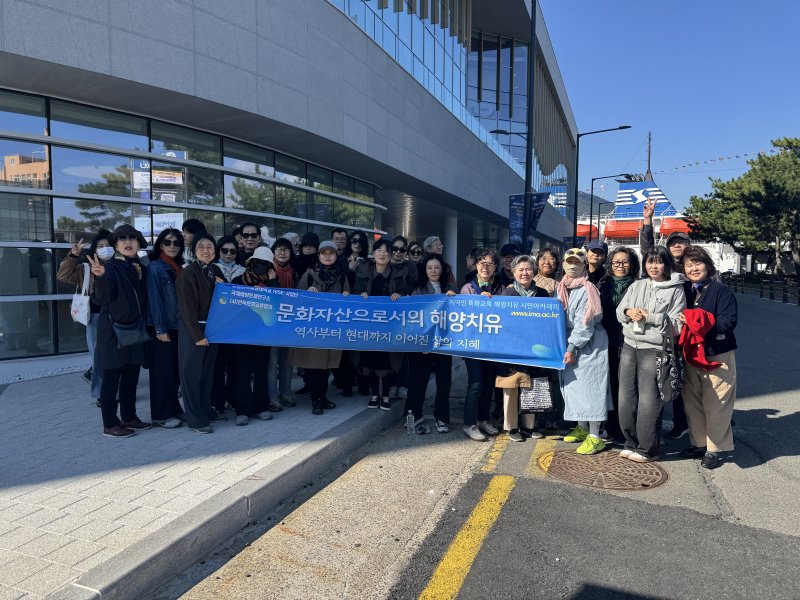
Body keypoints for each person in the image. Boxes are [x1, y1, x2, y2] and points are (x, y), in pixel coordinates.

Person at [616, 247, 686, 462]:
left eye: (658, 262)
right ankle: (630, 441)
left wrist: (651, 317)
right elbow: (620, 311)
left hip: (654, 348)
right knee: (626, 397)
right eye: (649, 262)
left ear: (667, 264)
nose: (653, 266)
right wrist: (629, 313)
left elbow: (676, 326)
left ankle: (648, 449)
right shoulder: (637, 285)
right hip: (629, 344)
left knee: (649, 399)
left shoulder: (676, 290)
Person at [87, 224, 151, 438]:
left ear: (138, 243)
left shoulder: (142, 266)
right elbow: (101, 299)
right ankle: (109, 423)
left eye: (132, 238)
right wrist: (101, 277)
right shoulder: (110, 267)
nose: (127, 242)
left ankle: (129, 416)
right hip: (114, 331)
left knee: (131, 375)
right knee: (112, 378)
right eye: (122, 239)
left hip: (135, 330)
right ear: (116, 245)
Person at [678, 246, 738, 469]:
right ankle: (698, 442)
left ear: (707, 265)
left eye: (698, 263)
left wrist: (697, 321)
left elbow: (728, 321)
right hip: (691, 352)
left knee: (717, 402)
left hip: (717, 353)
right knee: (692, 400)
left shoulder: (721, 291)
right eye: (689, 265)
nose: (694, 268)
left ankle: (714, 449)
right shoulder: (685, 289)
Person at [640, 199, 691, 440]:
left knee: (682, 378)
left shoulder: (693, 267)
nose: (677, 246)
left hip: (690, 330)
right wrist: (648, 222)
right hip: (667, 329)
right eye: (674, 243)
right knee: (669, 375)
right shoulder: (665, 269)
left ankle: (686, 422)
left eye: (681, 242)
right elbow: (647, 251)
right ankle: (675, 422)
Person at [558, 248, 612, 455]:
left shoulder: (588, 288)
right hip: (571, 342)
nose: (572, 266)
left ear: (584, 266)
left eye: (577, 263)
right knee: (576, 387)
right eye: (568, 262)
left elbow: (585, 323)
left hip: (589, 344)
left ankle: (595, 436)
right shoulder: (563, 286)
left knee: (592, 389)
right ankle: (581, 428)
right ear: (563, 264)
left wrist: (572, 347)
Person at [290, 241, 351, 414]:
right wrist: (306, 292)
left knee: (326, 366)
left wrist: (346, 295)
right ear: (318, 255)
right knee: (313, 366)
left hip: (332, 328)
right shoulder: (309, 274)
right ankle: (316, 400)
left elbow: (348, 300)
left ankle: (322, 397)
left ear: (335, 255)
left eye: (331, 253)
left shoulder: (342, 275)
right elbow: (297, 298)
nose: (327, 256)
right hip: (313, 328)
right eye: (324, 253)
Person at [353, 237, 413, 409]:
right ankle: (374, 394)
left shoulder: (397, 274)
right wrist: (360, 294)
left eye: (387, 251)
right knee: (371, 361)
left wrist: (399, 295)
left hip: (390, 327)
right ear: (374, 253)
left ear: (390, 255)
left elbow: (405, 292)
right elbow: (354, 291)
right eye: (379, 250)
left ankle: (385, 395)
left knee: (387, 362)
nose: (383, 254)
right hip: (369, 326)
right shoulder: (363, 271)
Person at [176, 232, 226, 434]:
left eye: (210, 247)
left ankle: (205, 409)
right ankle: (195, 418)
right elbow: (186, 309)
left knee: (207, 374)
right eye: (201, 247)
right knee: (191, 375)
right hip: (194, 330)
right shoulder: (187, 274)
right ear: (194, 251)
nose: (206, 250)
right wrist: (198, 336)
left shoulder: (215, 270)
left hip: (213, 329)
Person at [57, 229, 112, 405]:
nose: (105, 249)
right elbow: (63, 276)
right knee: (98, 356)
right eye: (100, 246)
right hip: (95, 317)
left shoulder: (119, 265)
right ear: (95, 250)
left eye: (108, 245)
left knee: (115, 356)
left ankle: (110, 387)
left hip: (116, 317)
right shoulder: (85, 268)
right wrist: (73, 256)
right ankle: (101, 394)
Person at [497, 255, 549, 441]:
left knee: (532, 384)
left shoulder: (543, 294)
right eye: (520, 269)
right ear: (513, 272)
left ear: (534, 271)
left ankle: (529, 426)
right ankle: (511, 427)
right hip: (512, 348)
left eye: (528, 269)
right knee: (511, 386)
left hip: (535, 348)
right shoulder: (507, 294)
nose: (525, 273)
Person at [405, 254, 457, 434]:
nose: (433, 271)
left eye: (436, 267)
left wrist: (453, 299)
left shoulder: (450, 288)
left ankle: (441, 419)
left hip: (443, 344)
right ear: (425, 270)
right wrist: (423, 343)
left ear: (442, 269)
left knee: (444, 383)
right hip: (422, 345)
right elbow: (413, 317)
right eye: (429, 268)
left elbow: (456, 317)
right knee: (418, 383)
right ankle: (414, 419)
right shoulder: (417, 289)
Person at [231, 246, 282, 423]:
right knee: (242, 372)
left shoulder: (272, 283)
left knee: (261, 370)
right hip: (242, 334)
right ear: (251, 263)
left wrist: (274, 281)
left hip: (263, 334)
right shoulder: (238, 281)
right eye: (258, 262)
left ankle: (260, 406)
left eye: (266, 264)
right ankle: (242, 410)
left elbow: (278, 303)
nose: (261, 266)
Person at [597, 246, 640, 443]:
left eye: (625, 262)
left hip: (630, 341)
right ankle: (610, 426)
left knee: (628, 387)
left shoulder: (639, 285)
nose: (620, 266)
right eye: (616, 262)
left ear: (632, 265)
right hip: (607, 340)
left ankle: (628, 428)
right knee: (610, 385)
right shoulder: (603, 284)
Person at [460, 249, 503, 441]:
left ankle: (483, 419)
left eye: (490, 263)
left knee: (488, 384)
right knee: (475, 383)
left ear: (495, 267)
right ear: (476, 265)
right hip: (472, 344)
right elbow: (462, 313)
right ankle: (469, 423)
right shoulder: (468, 288)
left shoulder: (502, 287)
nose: (485, 267)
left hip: (493, 344)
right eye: (481, 263)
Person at [146, 228, 186, 429]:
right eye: (168, 242)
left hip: (178, 326)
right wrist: (160, 329)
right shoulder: (156, 268)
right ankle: (161, 415)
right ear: (160, 245)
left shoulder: (178, 268)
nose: (172, 246)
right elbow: (155, 300)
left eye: (177, 243)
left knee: (174, 372)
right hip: (163, 328)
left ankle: (174, 408)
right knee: (162, 373)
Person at [210, 235, 244, 415]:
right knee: (217, 365)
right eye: (225, 250)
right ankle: (217, 401)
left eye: (233, 251)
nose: (229, 254)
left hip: (237, 326)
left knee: (234, 366)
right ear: (219, 251)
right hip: (217, 325)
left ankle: (233, 398)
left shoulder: (244, 271)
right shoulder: (211, 269)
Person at [267, 238, 298, 408]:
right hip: (270, 323)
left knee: (287, 360)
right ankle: (272, 397)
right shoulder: (266, 269)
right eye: (278, 249)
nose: (282, 252)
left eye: (286, 249)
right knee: (272, 362)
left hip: (289, 322)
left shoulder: (294, 272)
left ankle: (286, 393)